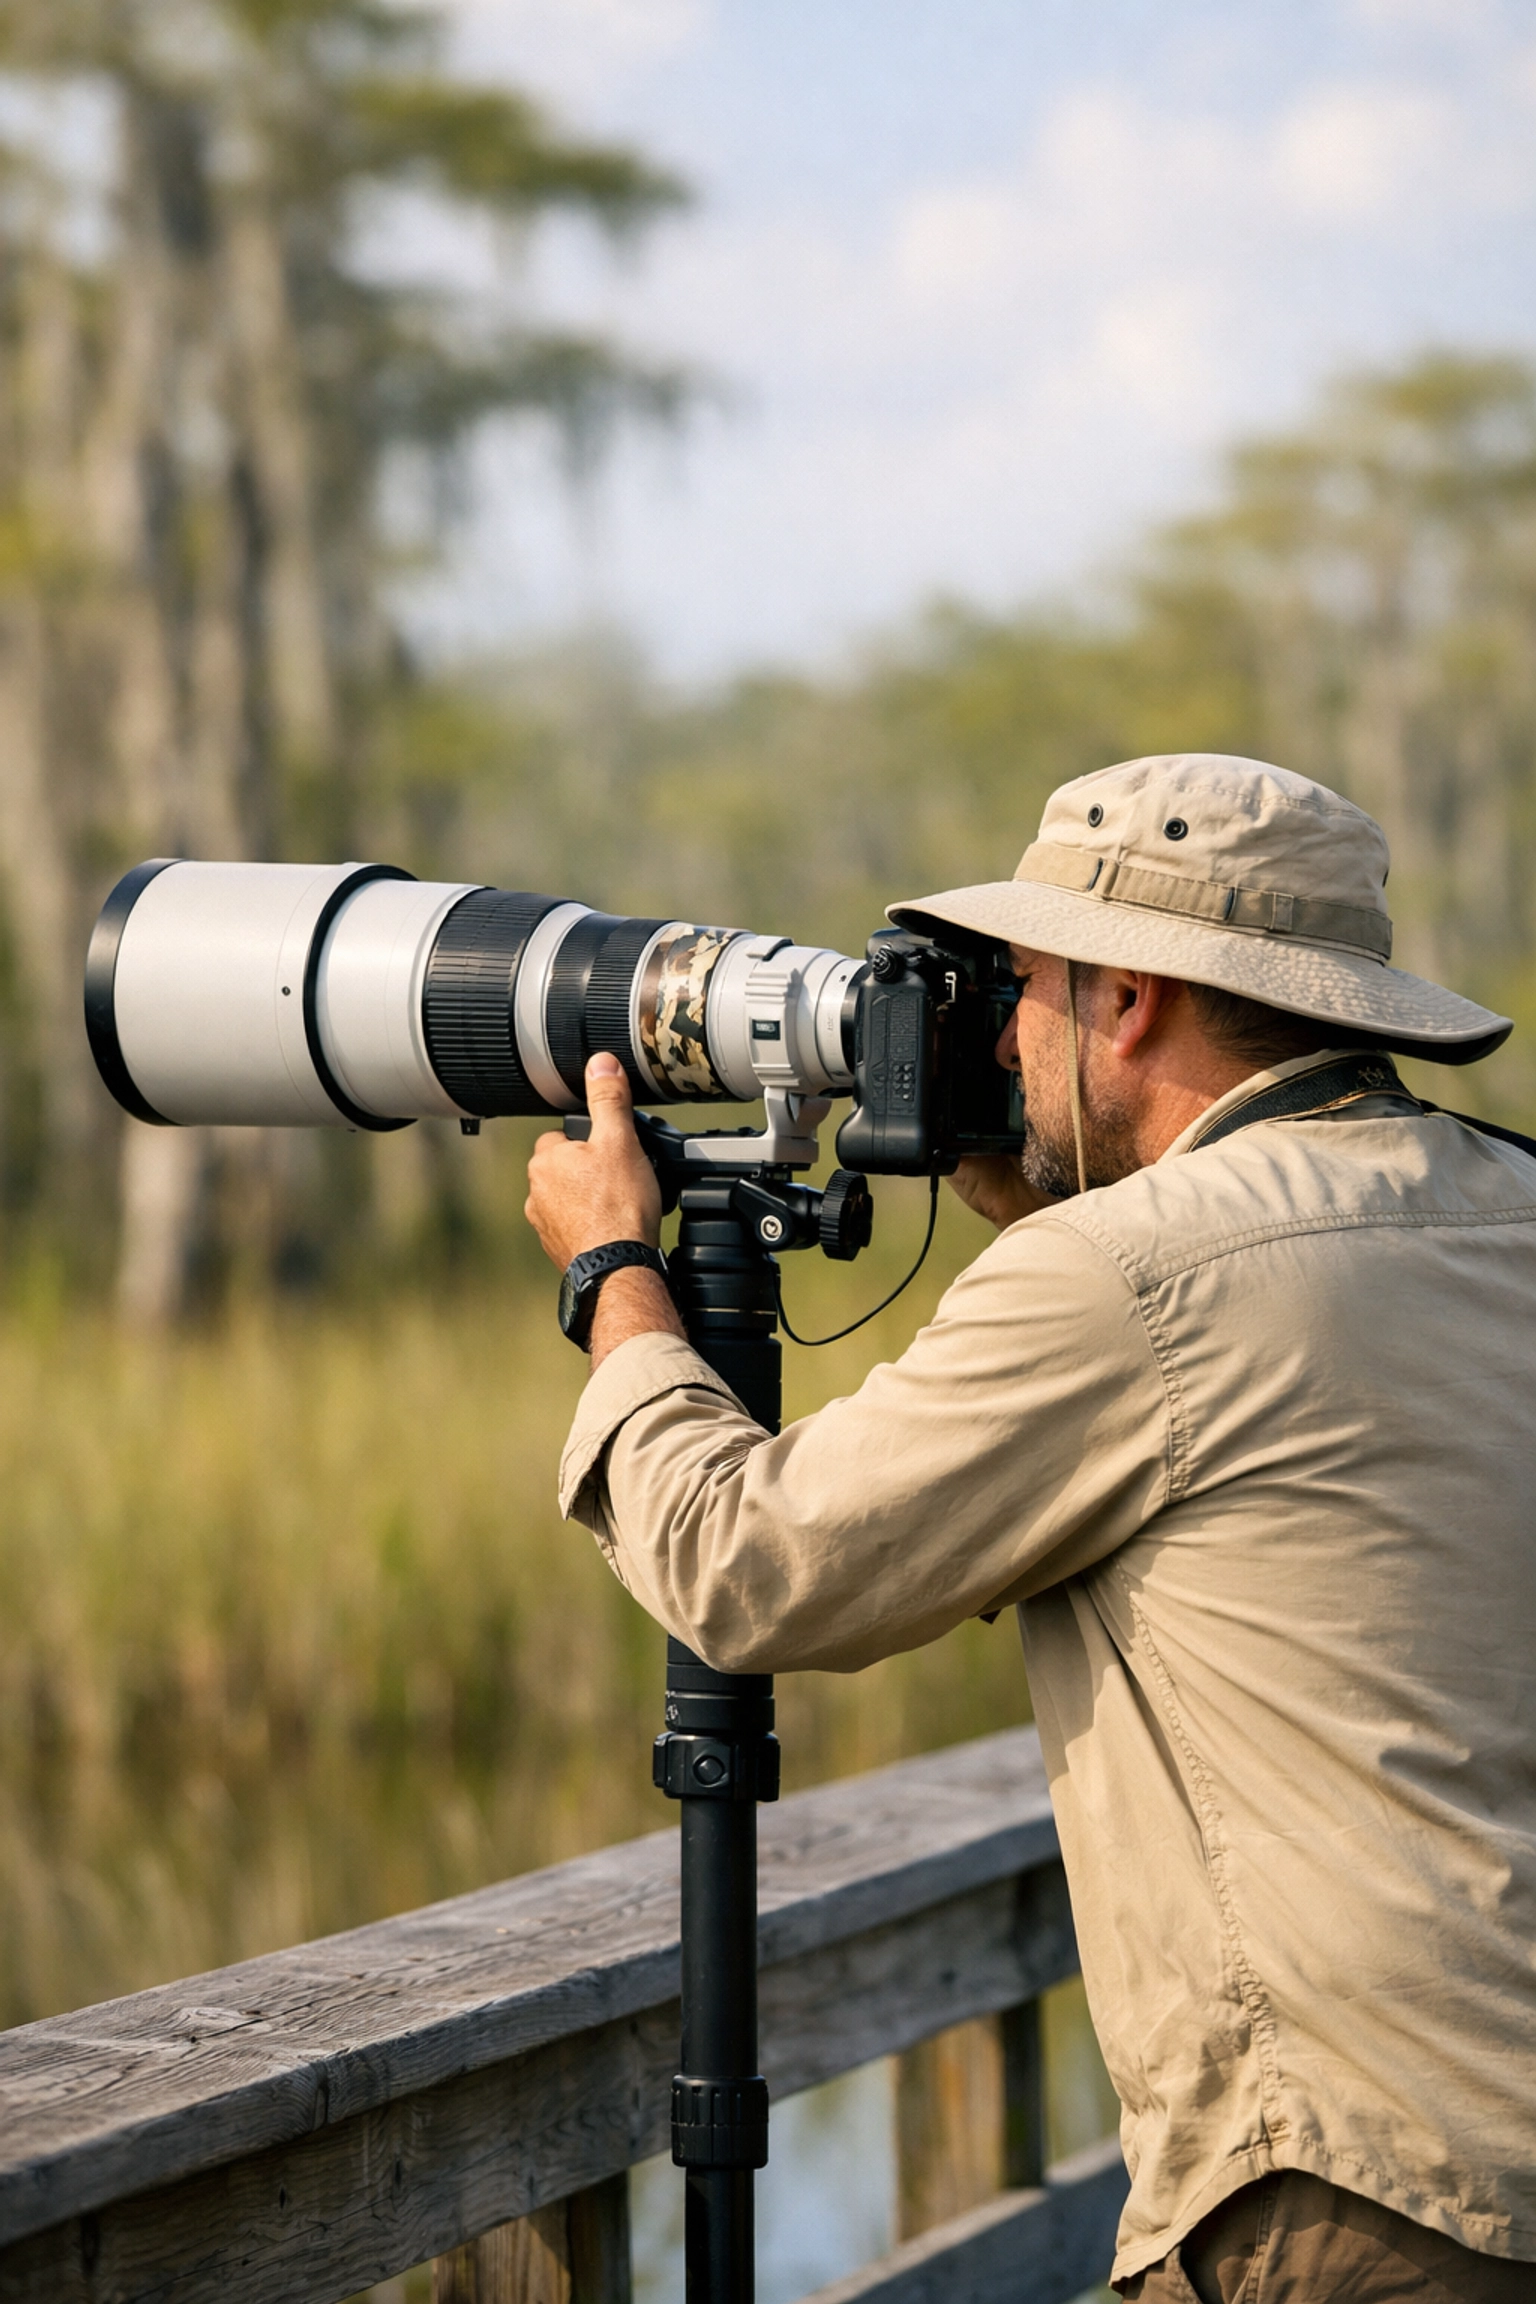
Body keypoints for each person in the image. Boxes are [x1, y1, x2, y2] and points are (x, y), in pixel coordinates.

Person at [523, 752, 1536, 2304]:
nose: (990, 1029)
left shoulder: (1135, 1277)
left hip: (1360, 2189)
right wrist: (1040, 1171)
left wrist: (614, 1274)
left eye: (1016, 986)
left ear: (1127, 999)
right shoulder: (1499, 1202)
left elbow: (746, 1566)